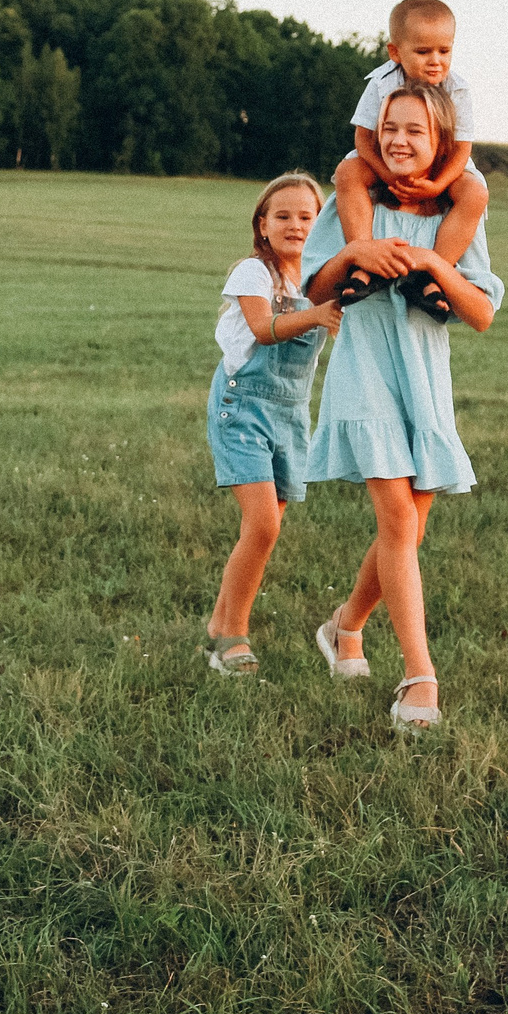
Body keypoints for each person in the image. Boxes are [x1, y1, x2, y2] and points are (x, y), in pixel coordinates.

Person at [299, 83, 504, 730]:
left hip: (424, 385)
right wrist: (356, 253)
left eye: (414, 130)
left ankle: (344, 626)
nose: (397, 139)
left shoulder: (455, 220)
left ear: (442, 143)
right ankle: (421, 677)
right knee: (395, 518)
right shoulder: (351, 204)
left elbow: (481, 313)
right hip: (365, 376)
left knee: (409, 528)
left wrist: (433, 267)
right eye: (389, 127)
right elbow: (314, 283)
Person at [200, 172, 345, 676]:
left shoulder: (320, 280)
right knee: (261, 524)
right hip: (242, 409)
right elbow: (263, 330)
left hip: (289, 413)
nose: (296, 225)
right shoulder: (253, 274)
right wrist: (320, 314)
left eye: (308, 217)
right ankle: (233, 638)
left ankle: (218, 629)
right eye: (282, 216)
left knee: (267, 529)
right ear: (263, 225)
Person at [329, 0, 489, 323]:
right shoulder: (382, 82)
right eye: (423, 52)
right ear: (395, 52)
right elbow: (363, 138)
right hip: (383, 158)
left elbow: (461, 149)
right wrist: (386, 176)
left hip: (444, 164)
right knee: (348, 172)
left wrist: (436, 187)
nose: (435, 61)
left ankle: (429, 275)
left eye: (444, 51)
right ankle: (365, 258)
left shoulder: (457, 88)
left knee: (474, 192)